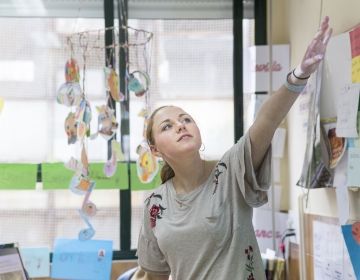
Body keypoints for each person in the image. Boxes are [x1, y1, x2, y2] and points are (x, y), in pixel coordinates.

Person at [136, 16, 332, 280]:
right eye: (167, 126)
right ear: (155, 151)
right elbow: (155, 275)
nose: (181, 126)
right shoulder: (154, 205)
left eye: (185, 119)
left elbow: (267, 120)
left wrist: (299, 75)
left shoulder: (229, 172)